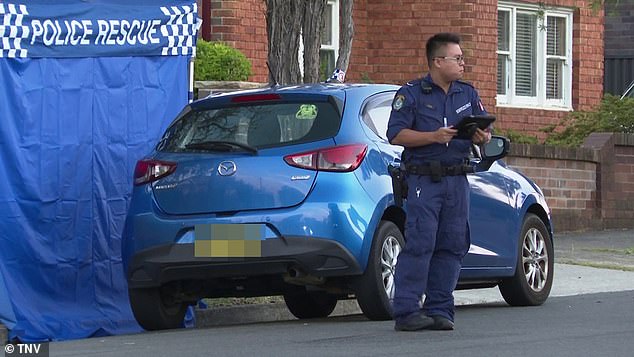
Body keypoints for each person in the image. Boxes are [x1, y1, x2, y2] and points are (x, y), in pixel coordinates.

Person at [386, 32, 491, 331]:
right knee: (421, 242)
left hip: (458, 179)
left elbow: (483, 129)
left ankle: (440, 308)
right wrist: (432, 137)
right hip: (425, 179)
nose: (462, 63)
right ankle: (407, 311)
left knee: (453, 243)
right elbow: (395, 134)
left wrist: (483, 137)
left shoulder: (467, 93)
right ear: (437, 61)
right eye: (456, 58)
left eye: (462, 58)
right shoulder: (412, 94)